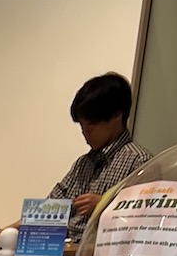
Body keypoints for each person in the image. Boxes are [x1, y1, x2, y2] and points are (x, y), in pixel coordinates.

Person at [50, 73, 150, 240]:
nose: (85, 133)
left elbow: (147, 220)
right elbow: (50, 207)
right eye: (82, 126)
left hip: (102, 252)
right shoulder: (83, 164)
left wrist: (104, 205)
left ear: (117, 116)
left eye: (91, 125)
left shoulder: (139, 162)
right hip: (67, 248)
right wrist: (7, 231)